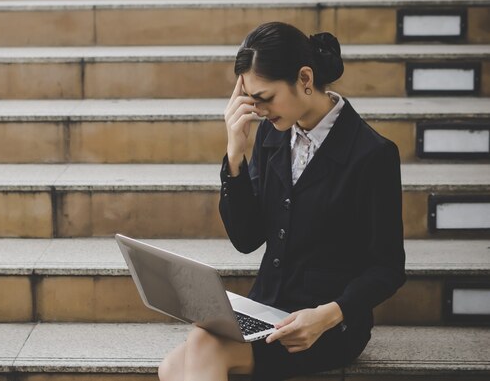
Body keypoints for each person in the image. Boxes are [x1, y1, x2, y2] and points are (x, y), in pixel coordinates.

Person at [158, 21, 407, 381]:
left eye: (265, 98)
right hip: (267, 308)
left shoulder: (372, 154)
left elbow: (388, 268)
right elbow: (246, 239)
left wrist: (328, 314)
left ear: (305, 79)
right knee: (174, 364)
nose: (257, 111)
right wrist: (234, 155)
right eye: (250, 100)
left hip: (325, 325)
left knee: (192, 355)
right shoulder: (270, 138)